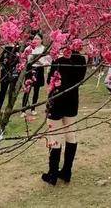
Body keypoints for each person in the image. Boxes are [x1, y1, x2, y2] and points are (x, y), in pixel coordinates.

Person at [41, 48, 87, 185]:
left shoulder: (58, 58)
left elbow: (50, 79)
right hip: (72, 100)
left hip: (57, 100)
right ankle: (67, 171)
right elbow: (81, 79)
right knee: (70, 135)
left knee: (54, 136)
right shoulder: (81, 59)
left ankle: (53, 174)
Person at [22, 33, 47, 116]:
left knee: (36, 90)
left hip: (39, 69)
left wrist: (42, 62)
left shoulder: (44, 49)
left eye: (37, 39)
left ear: (41, 40)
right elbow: (24, 58)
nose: (35, 40)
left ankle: (33, 109)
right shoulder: (28, 48)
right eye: (34, 38)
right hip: (30, 68)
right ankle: (23, 110)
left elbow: (47, 61)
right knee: (27, 90)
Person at [0, 44, 20, 115]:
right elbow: (1, 61)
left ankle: (7, 108)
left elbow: (19, 62)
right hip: (6, 73)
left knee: (9, 91)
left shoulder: (17, 50)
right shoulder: (6, 50)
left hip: (13, 73)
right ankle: (0, 109)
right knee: (4, 91)